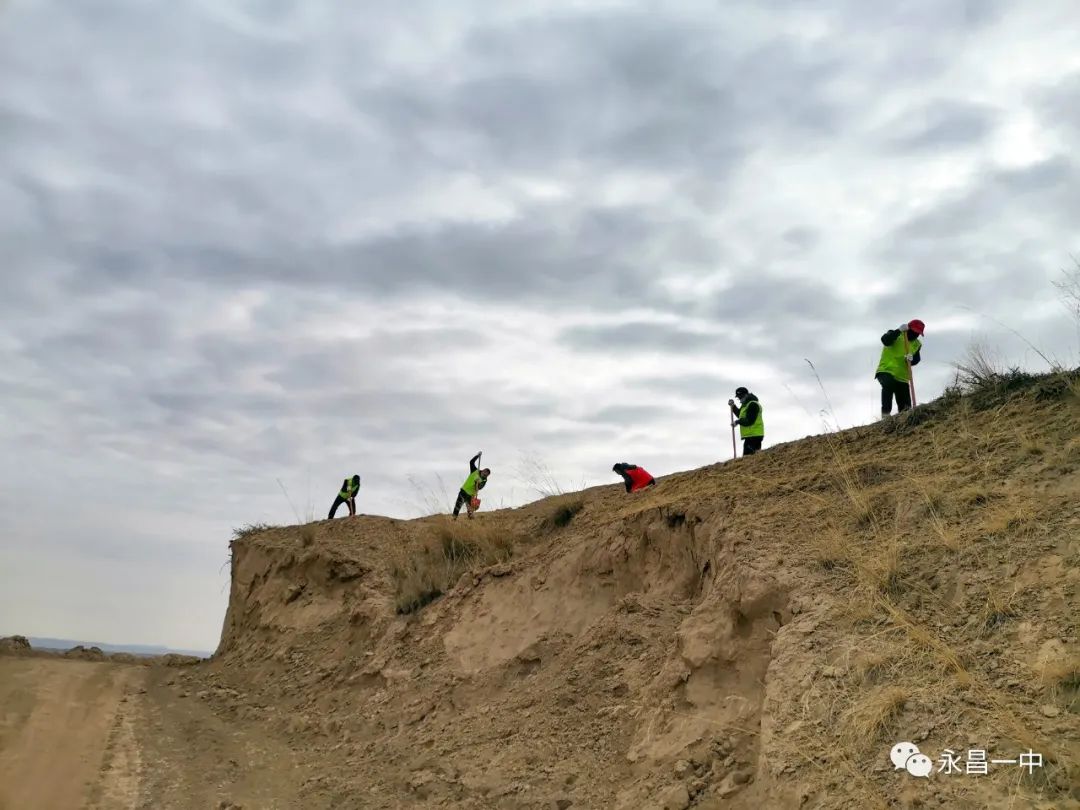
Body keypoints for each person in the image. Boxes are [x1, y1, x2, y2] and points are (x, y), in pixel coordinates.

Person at [876, 319, 924, 417]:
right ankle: (885, 415)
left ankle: (905, 422)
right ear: (909, 328)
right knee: (888, 385)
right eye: (914, 332)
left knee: (905, 406)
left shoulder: (917, 344)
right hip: (886, 370)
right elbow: (885, 340)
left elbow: (916, 359)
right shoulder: (896, 334)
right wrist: (898, 330)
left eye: (918, 333)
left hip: (903, 376)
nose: (915, 335)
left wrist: (911, 359)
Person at [453, 451, 490, 519]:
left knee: (471, 511)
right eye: (484, 473)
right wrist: (477, 456)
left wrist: (477, 483)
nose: (484, 475)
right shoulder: (475, 471)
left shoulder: (484, 481)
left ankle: (471, 522)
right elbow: (471, 462)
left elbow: (479, 488)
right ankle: (453, 519)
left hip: (471, 495)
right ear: (483, 470)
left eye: (486, 475)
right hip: (463, 491)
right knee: (458, 506)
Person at [728, 387, 765, 456]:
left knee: (749, 457)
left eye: (740, 397)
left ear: (746, 395)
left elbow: (749, 421)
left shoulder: (752, 404)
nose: (739, 399)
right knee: (751, 457)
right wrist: (733, 406)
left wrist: (737, 422)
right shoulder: (745, 405)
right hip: (751, 435)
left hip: (754, 435)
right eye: (738, 397)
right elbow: (740, 415)